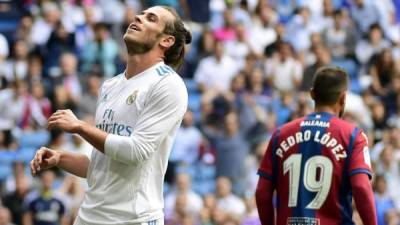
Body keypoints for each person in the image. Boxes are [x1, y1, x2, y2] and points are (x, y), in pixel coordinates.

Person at [29, 5, 191, 225]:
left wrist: (79, 127)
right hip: (89, 216)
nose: (138, 17)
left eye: (150, 18)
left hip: (134, 219)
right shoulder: (110, 85)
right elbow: (101, 166)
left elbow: (135, 152)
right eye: (141, 14)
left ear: (167, 41)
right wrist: (60, 158)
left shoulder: (168, 84)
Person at [255, 66, 377, 225]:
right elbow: (361, 187)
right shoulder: (353, 136)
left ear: (312, 94)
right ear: (343, 98)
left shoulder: (281, 134)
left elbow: (262, 193)